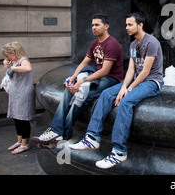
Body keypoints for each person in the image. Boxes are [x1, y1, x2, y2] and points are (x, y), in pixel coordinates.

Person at [70, 12, 163, 169]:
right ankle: (92, 137)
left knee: (125, 102)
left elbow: (146, 71)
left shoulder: (151, 42)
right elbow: (131, 70)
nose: (126, 27)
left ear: (140, 25)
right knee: (106, 94)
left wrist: (129, 89)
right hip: (136, 81)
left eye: (130, 25)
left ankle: (119, 151)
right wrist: (124, 87)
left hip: (152, 82)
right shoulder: (134, 45)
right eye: (126, 24)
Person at [33, 14, 124, 145]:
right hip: (97, 77)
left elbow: (105, 71)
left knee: (82, 93)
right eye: (92, 25)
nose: (94, 28)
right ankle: (55, 130)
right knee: (69, 90)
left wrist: (82, 81)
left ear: (106, 26)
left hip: (110, 79)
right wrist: (73, 79)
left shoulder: (112, 44)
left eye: (97, 25)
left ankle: (65, 133)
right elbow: (84, 63)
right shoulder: (95, 43)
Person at [2, 42, 36, 154]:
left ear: (13, 53)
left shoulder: (23, 60)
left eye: (7, 56)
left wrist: (13, 67)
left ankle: (25, 144)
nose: (7, 58)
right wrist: (7, 64)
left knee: (23, 119)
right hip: (16, 93)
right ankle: (19, 141)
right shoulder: (14, 61)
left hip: (23, 93)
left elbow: (28, 68)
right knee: (16, 118)